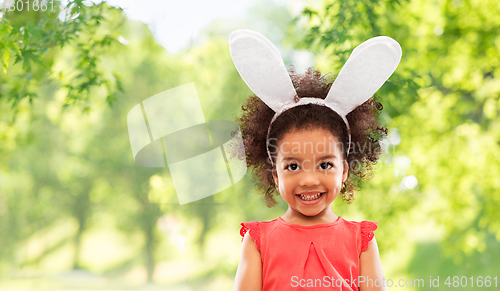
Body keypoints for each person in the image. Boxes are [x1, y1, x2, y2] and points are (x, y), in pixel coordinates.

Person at [229, 29, 401, 291]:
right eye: (293, 166)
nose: (309, 180)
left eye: (325, 164)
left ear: (344, 170)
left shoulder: (361, 241)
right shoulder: (257, 241)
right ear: (275, 175)